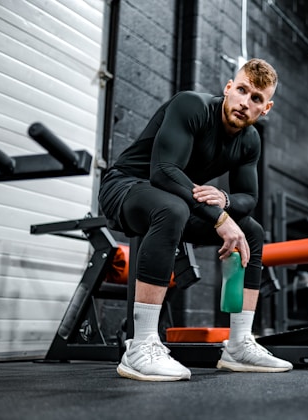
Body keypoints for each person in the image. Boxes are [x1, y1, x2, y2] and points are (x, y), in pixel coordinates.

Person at [99, 58, 292, 382]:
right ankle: (140, 346)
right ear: (229, 88)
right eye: (242, 90)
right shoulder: (192, 106)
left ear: (266, 107)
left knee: (252, 231)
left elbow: (249, 198)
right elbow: (162, 172)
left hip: (178, 199)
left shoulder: (250, 141)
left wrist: (226, 201)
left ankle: (239, 344)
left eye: (256, 98)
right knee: (171, 209)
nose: (246, 102)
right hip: (127, 186)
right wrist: (219, 217)